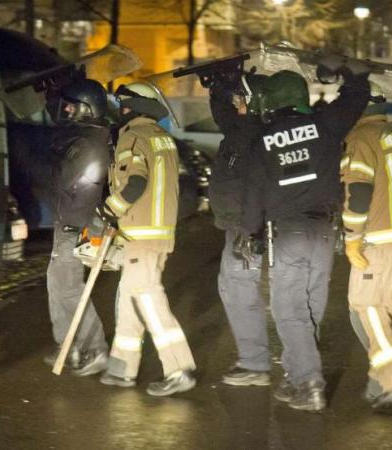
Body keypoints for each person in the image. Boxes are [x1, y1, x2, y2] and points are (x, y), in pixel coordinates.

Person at [242, 68, 370, 411]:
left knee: (288, 309)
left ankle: (310, 382)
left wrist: (251, 233)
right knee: (312, 305)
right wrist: (352, 73)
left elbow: (254, 192)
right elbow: (357, 98)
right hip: (326, 233)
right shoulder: (326, 124)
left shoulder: (264, 138)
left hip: (289, 233)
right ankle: (296, 376)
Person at [100, 81, 196, 396]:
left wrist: (109, 209)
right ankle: (122, 369)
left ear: (136, 107)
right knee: (131, 298)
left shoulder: (133, 136)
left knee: (148, 299)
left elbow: (135, 184)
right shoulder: (163, 138)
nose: (120, 110)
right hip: (158, 233)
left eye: (124, 104)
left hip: (140, 233)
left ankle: (179, 368)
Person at [340, 83, 392, 408]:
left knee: (366, 308)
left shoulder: (361, 138)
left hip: (380, 238)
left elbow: (358, 193)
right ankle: (381, 383)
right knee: (391, 313)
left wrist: (351, 240)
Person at [43, 78, 111, 377]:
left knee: (69, 288)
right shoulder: (84, 136)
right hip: (69, 222)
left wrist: (76, 226)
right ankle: (69, 345)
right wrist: (50, 93)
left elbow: (79, 184)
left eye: (71, 106)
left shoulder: (88, 143)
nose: (65, 111)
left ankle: (95, 348)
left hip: (76, 224)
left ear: (86, 108)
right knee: (57, 283)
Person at [207, 73, 272, 387]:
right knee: (233, 289)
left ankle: (255, 364)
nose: (235, 104)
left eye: (240, 98)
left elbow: (257, 187)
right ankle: (255, 359)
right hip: (235, 227)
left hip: (244, 230)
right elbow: (223, 113)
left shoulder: (253, 135)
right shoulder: (242, 130)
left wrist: (249, 232)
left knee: (242, 291)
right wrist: (218, 85)